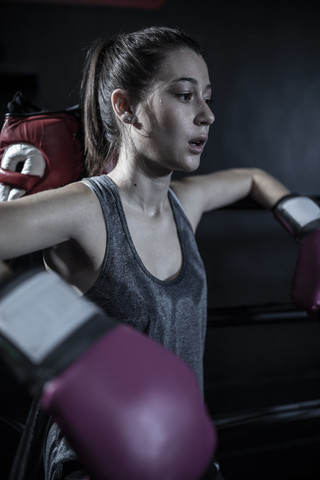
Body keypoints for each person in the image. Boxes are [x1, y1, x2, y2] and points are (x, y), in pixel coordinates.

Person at [0, 26, 291, 480]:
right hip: (94, 462)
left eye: (207, 97)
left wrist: (307, 222)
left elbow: (252, 177)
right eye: (184, 95)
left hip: (183, 452)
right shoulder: (87, 209)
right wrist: (55, 337)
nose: (207, 115)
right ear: (126, 108)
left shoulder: (184, 206)